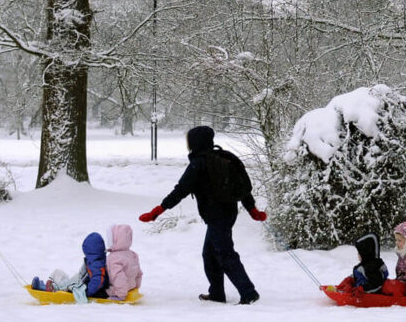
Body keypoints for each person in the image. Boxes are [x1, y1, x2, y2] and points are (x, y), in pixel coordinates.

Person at [139, 126, 268, 305]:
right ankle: (216, 293)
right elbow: (242, 189)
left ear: (195, 142)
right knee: (210, 254)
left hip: (216, 216)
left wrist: (158, 210)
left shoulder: (199, 163)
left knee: (224, 254)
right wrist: (252, 210)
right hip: (228, 213)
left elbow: (181, 190)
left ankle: (249, 293)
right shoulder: (226, 157)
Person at [29, 231, 110, 303]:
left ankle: (49, 289)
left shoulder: (96, 264)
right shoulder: (94, 260)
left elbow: (98, 281)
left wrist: (87, 292)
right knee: (64, 278)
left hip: (87, 288)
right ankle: (53, 286)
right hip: (83, 282)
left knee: (70, 286)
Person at [106, 223, 143, 301]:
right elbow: (138, 273)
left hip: (117, 291)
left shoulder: (113, 258)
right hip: (131, 287)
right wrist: (135, 288)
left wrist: (120, 295)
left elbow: (118, 277)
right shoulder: (132, 254)